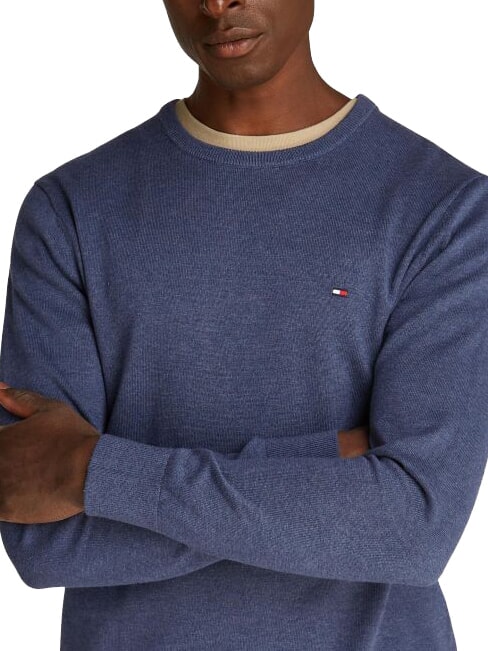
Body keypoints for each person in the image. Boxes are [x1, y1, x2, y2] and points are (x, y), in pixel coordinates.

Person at [0, 0, 487, 648]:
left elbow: (410, 528)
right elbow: (43, 539)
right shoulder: (70, 210)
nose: (216, 3)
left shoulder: (446, 211)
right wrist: (325, 460)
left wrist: (93, 473)